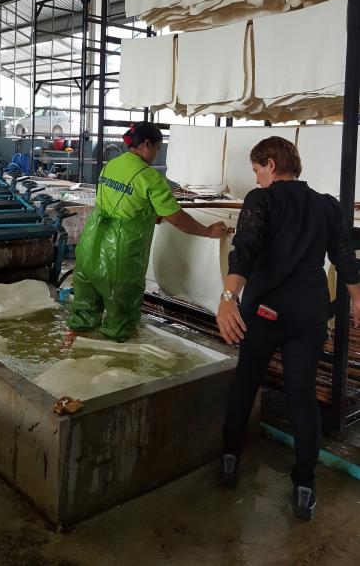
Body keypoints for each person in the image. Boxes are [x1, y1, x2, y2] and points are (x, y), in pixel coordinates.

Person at [216, 135, 360, 520]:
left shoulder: (261, 200)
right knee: (302, 398)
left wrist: (228, 297)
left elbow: (245, 248)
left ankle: (230, 457)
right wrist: (358, 299)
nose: (256, 178)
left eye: (256, 169)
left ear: (271, 164)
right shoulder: (326, 205)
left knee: (246, 382)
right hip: (309, 316)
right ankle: (304, 485)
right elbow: (344, 255)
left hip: (266, 312)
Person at [68, 122, 229, 342]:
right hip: (119, 255)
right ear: (146, 145)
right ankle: (113, 357)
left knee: (84, 312)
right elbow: (178, 219)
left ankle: (70, 347)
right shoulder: (150, 177)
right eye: (157, 148)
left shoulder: (111, 165)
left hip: (91, 245)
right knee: (120, 321)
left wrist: (151, 213)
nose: (156, 153)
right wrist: (208, 231)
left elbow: (122, 202)